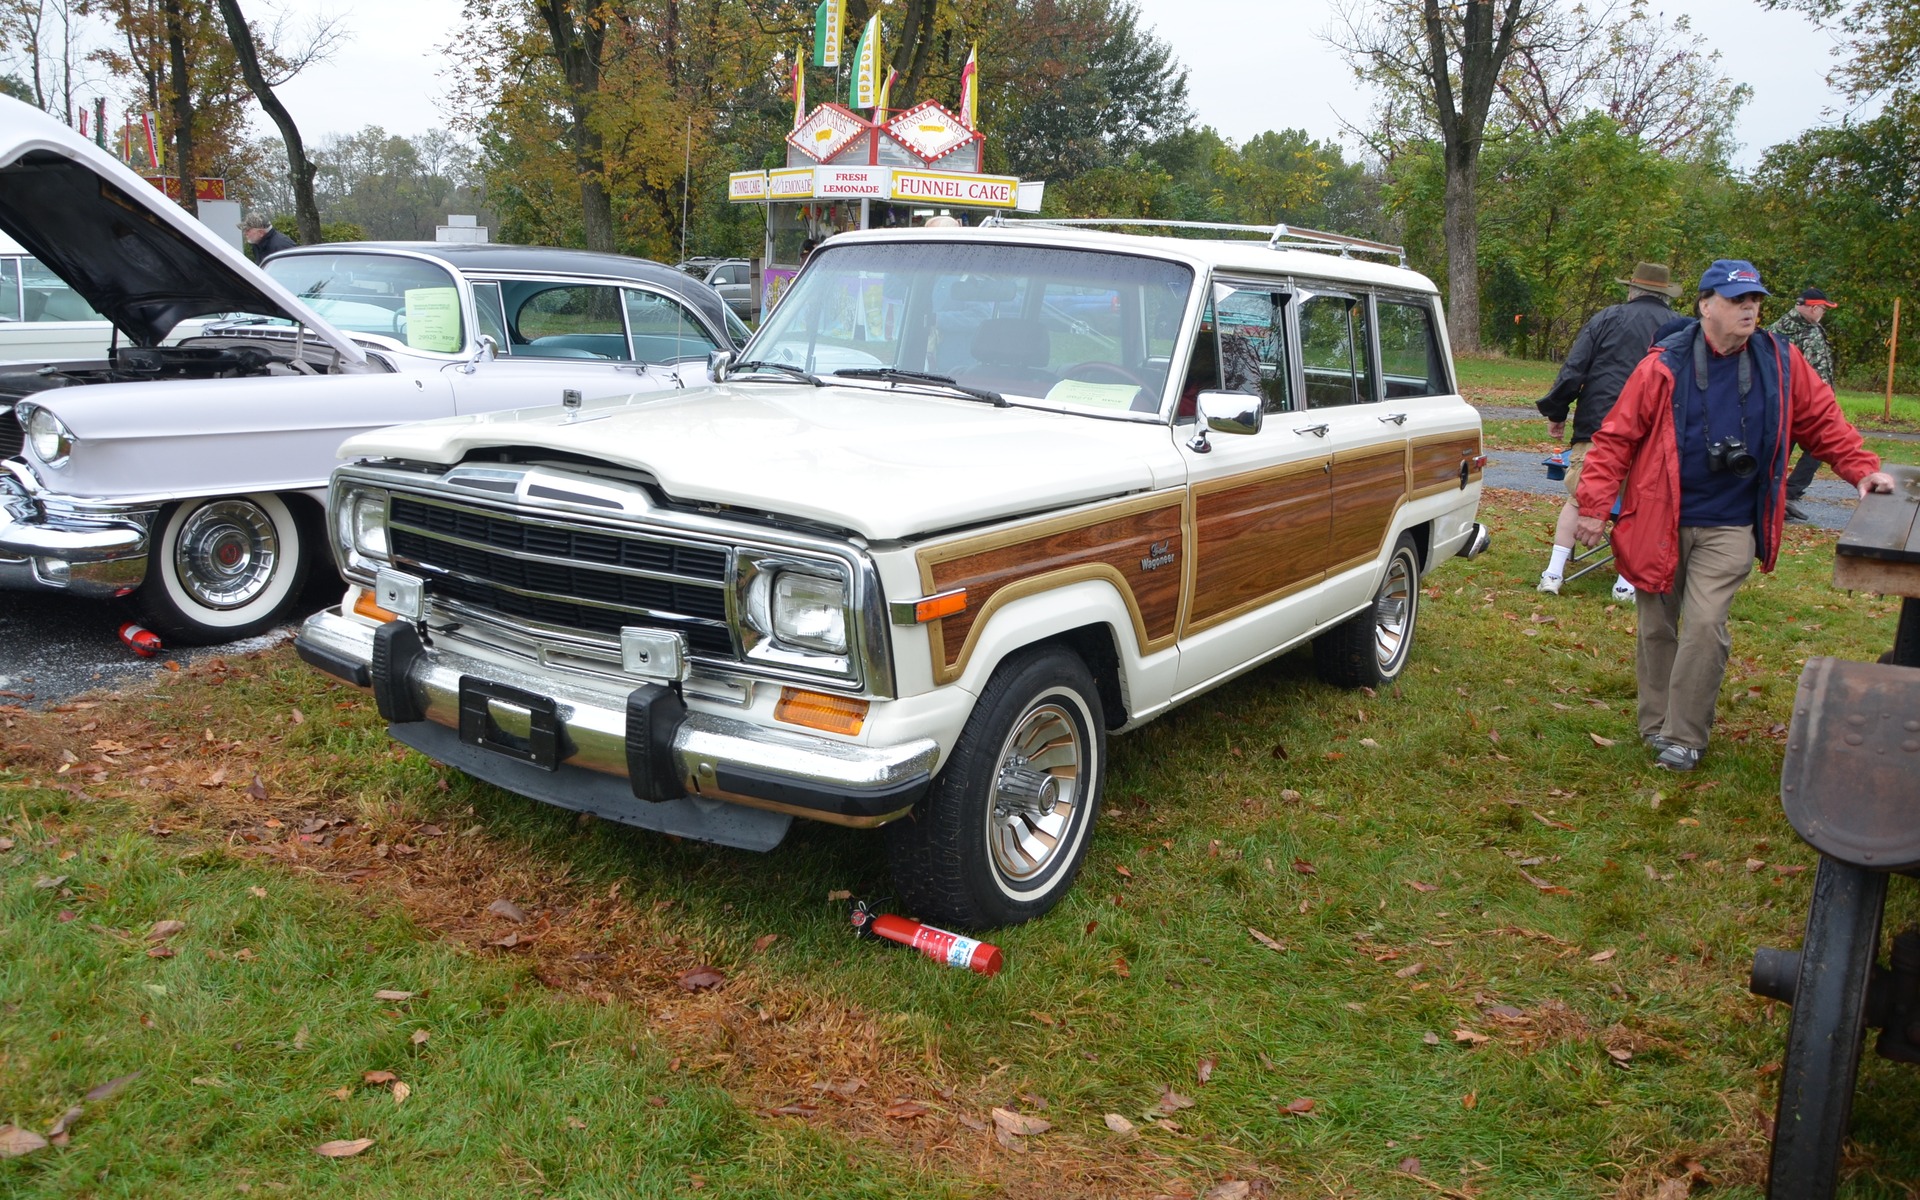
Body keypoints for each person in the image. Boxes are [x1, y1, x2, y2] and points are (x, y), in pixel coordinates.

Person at [1573, 260, 1894, 772]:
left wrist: (1861, 470)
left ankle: (1684, 736)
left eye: (1755, 300)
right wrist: (1592, 507)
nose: (1750, 309)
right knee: (1657, 628)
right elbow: (1617, 437)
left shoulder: (1781, 361)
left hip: (1731, 522)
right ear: (1705, 305)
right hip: (1660, 519)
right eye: (1736, 300)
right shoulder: (1664, 363)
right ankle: (1656, 724)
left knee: (1704, 625)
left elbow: (1823, 420)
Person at [1534, 261, 1683, 600]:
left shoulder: (1606, 318)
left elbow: (1575, 369)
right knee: (1642, 505)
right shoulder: (1679, 328)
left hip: (1599, 428)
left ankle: (1554, 573)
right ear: (1665, 295)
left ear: (1632, 289)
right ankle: (1626, 583)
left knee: (1578, 500)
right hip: (1654, 432)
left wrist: (1558, 410)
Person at [1771, 287, 1840, 523]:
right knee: (1818, 445)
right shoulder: (1808, 334)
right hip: (1805, 404)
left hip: (1782, 401)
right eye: (1823, 308)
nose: (1823, 313)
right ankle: (1790, 491)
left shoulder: (1778, 328)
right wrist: (1825, 402)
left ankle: (1776, 491)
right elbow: (1816, 373)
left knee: (1781, 448)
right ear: (1813, 307)